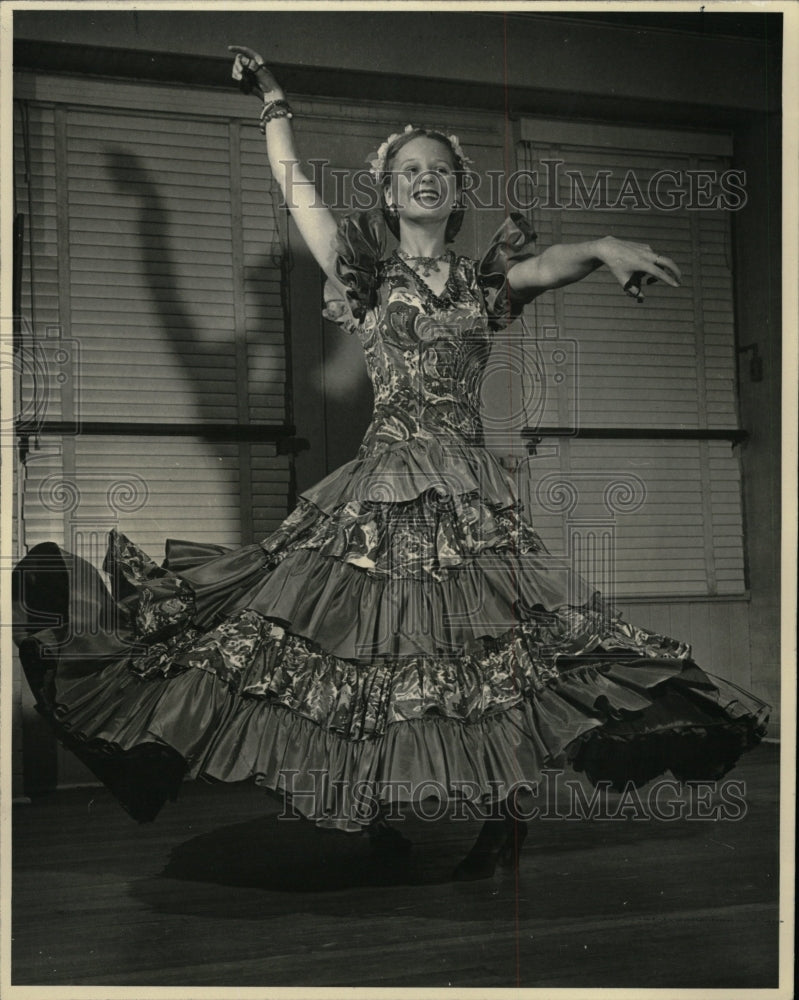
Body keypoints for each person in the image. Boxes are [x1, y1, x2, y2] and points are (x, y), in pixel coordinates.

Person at [12, 46, 769, 882]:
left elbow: (545, 266)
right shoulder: (365, 274)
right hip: (379, 490)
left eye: (438, 170)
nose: (424, 179)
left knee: (496, 663)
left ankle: (502, 821)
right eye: (409, 169)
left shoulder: (481, 285)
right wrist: (272, 101)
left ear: (456, 188)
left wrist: (601, 242)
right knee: (360, 656)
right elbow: (295, 187)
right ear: (387, 188)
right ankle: (367, 813)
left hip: (467, 499)